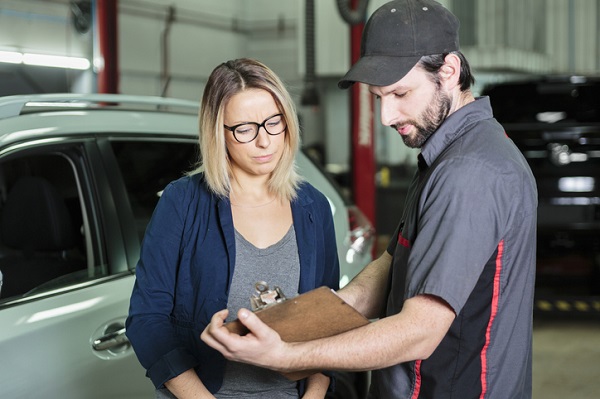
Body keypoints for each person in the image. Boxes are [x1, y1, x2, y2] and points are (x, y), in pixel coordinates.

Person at [201, 1, 538, 398]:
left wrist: (287, 355)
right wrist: (287, 325)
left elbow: (419, 333)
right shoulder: (445, 155)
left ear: (448, 71)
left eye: (400, 93)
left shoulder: (470, 173)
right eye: (379, 97)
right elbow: (390, 268)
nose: (386, 116)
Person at [126, 58, 339, 399]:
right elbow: (147, 319)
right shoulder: (182, 203)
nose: (264, 141)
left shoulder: (313, 207)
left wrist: (314, 395)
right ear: (218, 133)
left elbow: (326, 321)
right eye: (244, 129)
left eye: (274, 122)